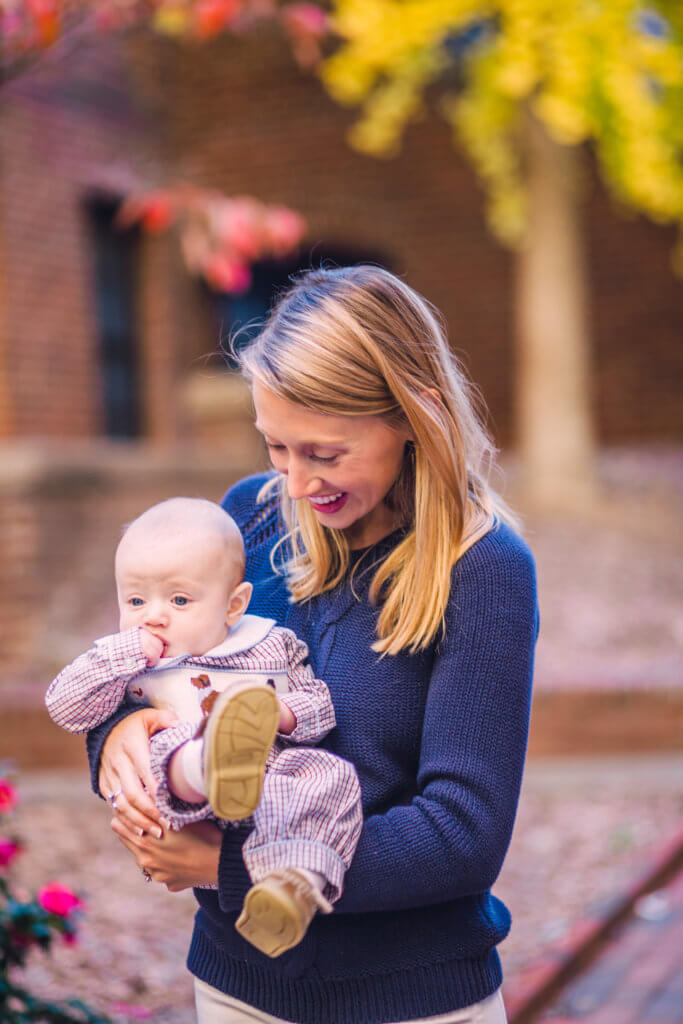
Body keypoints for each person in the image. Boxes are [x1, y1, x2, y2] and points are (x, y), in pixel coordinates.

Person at [88, 265, 538, 1024]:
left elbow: (461, 833)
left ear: (413, 417)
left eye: (324, 454)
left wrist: (231, 868)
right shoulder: (247, 519)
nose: (296, 483)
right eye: (276, 448)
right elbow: (150, 663)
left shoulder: (483, 570)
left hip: (413, 1002)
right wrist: (120, 736)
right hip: (235, 988)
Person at [46, 497, 362, 958]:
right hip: (186, 799)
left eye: (179, 600)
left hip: (270, 790)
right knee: (168, 738)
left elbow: (320, 705)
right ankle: (209, 765)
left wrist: (279, 714)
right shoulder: (129, 665)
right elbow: (65, 705)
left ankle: (291, 887)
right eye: (135, 600)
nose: (153, 616)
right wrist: (124, 655)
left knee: (328, 776)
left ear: (234, 605)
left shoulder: (271, 646)